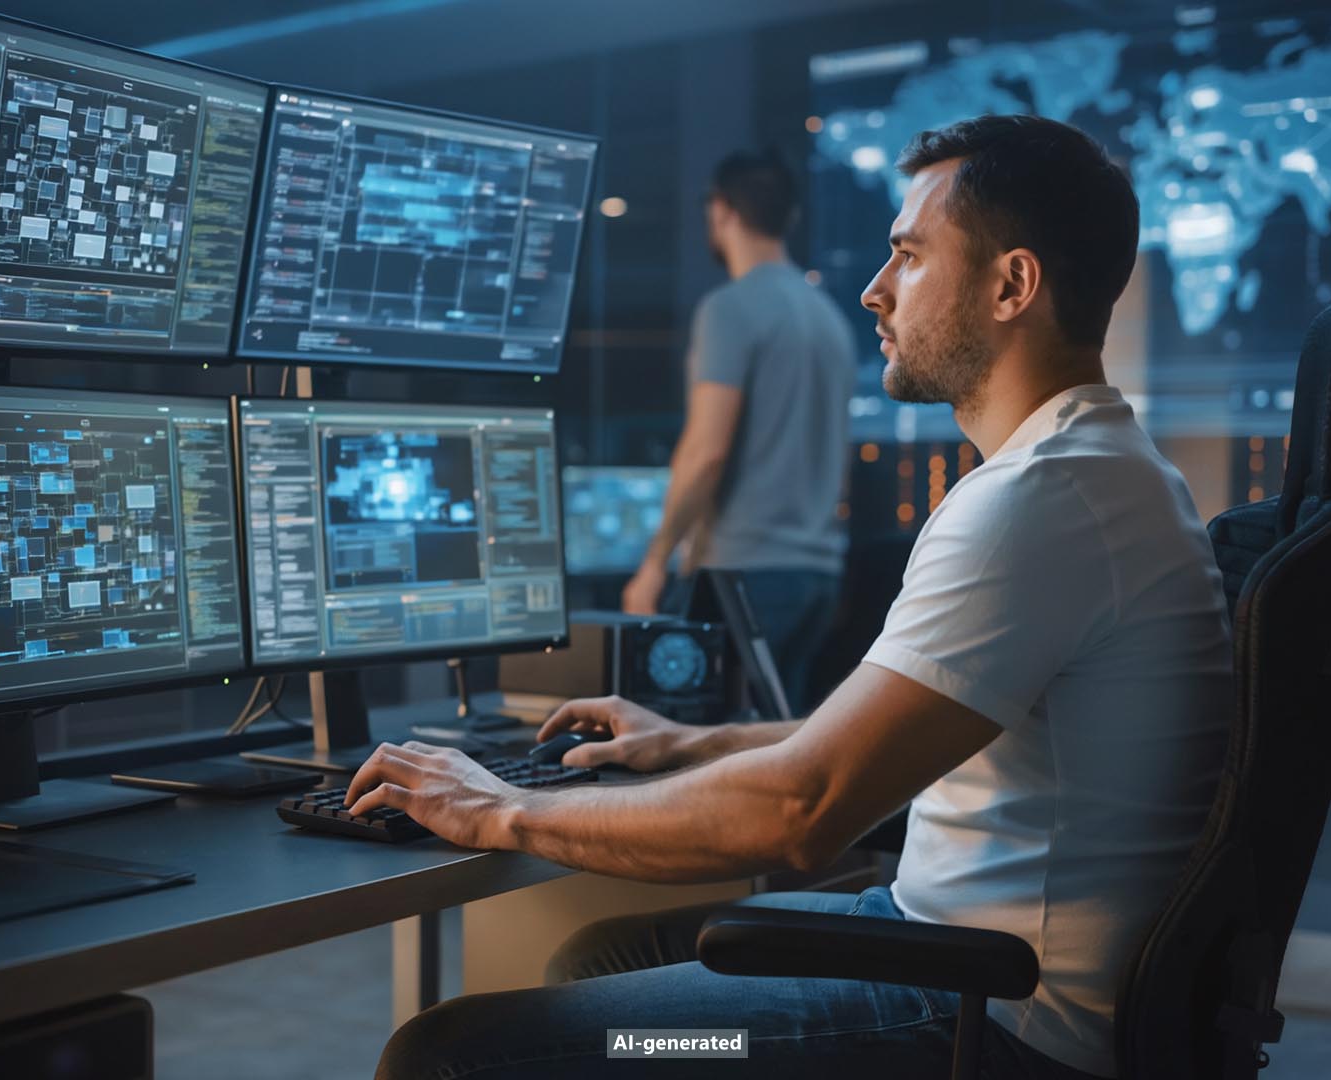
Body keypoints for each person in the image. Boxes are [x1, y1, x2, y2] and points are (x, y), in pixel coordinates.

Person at [355, 115, 1233, 1080]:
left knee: (446, 1055)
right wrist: (696, 742)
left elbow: (799, 810)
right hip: (956, 949)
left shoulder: (1039, 501)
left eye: (909, 256)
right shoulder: (1103, 471)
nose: (874, 288)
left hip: (984, 1021)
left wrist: (498, 808)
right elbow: (877, 737)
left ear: (1011, 286)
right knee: (607, 959)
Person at [621, 151, 855, 714]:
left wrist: (653, 564)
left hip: (742, 574)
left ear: (721, 210)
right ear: (788, 217)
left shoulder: (730, 308)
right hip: (818, 576)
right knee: (776, 745)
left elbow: (707, 451)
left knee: (697, 745)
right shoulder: (832, 320)